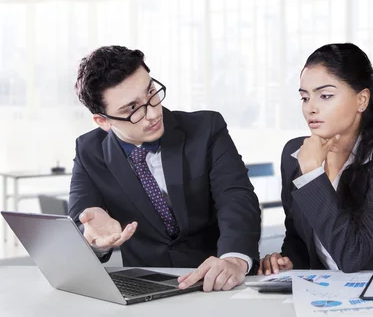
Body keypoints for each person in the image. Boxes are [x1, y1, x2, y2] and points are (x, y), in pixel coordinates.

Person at [69, 45, 261, 292]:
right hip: (147, 287)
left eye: (151, 92)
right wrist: (96, 241)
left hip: (218, 281)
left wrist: (234, 259)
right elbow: (80, 229)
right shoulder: (89, 151)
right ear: (103, 121)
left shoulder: (206, 128)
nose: (152, 113)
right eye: (132, 109)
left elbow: (236, 197)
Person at [258, 43, 373, 275]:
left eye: (325, 96)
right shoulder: (293, 153)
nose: (311, 108)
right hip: (324, 296)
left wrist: (312, 174)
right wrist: (288, 261)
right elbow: (297, 237)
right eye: (305, 98)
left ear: (361, 100)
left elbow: (352, 256)